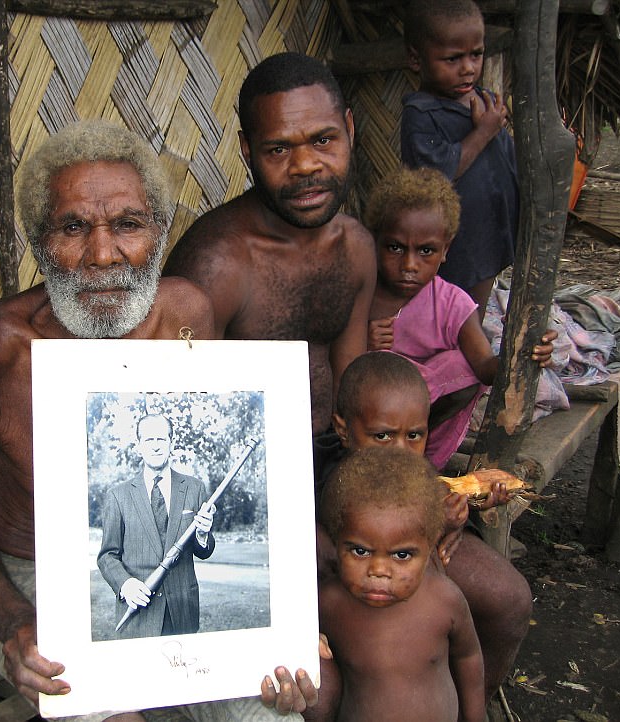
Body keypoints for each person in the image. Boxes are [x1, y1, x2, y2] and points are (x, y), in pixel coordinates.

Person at [0, 120, 316, 722]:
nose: (103, 254)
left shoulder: (187, 311)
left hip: (173, 571)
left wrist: (289, 634)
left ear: (159, 235)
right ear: (38, 241)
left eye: (128, 225)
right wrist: (13, 621)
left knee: (274, 709)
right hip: (34, 581)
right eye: (73, 227)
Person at [163, 52, 375, 440]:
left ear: (349, 128)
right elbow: (179, 415)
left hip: (331, 453)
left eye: (323, 140)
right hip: (243, 472)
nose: (306, 165)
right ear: (247, 149)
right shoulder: (217, 265)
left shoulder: (356, 247)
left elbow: (353, 392)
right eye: (279, 149)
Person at [323, 351, 532, 707]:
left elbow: (433, 497)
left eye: (415, 435)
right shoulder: (332, 481)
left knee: (511, 598)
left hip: (420, 561)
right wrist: (437, 525)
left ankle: (474, 701)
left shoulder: (418, 474)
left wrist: (465, 509)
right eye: (383, 436)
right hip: (369, 578)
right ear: (344, 430)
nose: (402, 451)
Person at [364, 166, 557, 468]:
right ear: (374, 241)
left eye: (426, 250)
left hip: (427, 424)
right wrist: (365, 343)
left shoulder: (453, 304)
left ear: (445, 250)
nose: (409, 264)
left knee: (458, 363)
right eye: (395, 248)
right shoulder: (360, 294)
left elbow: (483, 368)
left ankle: (422, 462)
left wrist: (523, 350)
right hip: (368, 420)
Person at [318, 447, 485, 722]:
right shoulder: (328, 603)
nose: (379, 570)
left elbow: (468, 657)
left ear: (430, 546)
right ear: (337, 544)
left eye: (402, 555)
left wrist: (475, 717)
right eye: (360, 551)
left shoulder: (444, 600)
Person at [401, 0, 518, 315]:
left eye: (476, 55)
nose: (467, 67)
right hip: (459, 237)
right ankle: (466, 354)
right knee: (461, 307)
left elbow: (504, 155)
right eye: (452, 58)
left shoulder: (480, 99)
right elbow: (439, 172)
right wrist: (484, 132)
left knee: (481, 289)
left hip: (491, 223)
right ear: (416, 58)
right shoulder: (421, 114)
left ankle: (470, 347)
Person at [97, 414, 215, 639]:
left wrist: (202, 534)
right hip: (139, 614)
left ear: (171, 443)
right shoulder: (118, 496)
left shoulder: (194, 488)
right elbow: (107, 556)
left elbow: (204, 550)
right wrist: (126, 585)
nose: (156, 446)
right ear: (139, 446)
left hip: (183, 613)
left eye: (161, 439)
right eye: (149, 440)